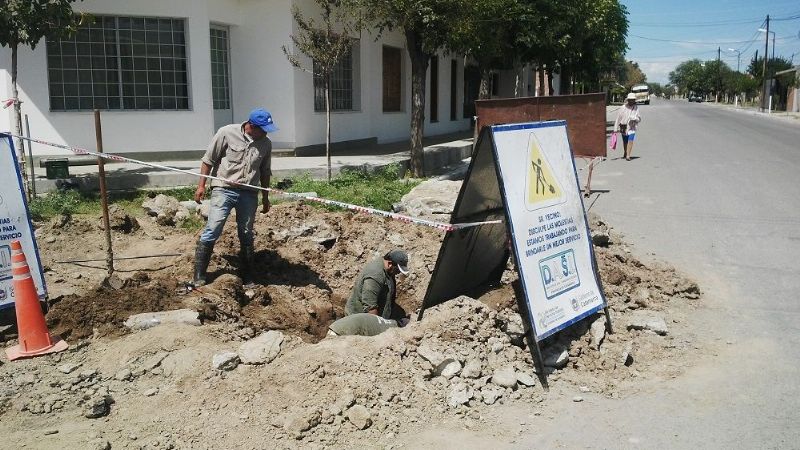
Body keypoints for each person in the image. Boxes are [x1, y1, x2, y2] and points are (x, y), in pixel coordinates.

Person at [192, 108, 277, 287]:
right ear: (251, 126)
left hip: (248, 193)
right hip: (224, 189)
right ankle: (199, 275)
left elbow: (265, 172)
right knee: (213, 228)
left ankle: (247, 275)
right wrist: (201, 186)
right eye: (263, 128)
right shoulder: (226, 133)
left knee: (246, 233)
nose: (266, 132)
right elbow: (208, 160)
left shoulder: (265, 144)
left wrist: (266, 197)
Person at [331, 250, 411, 337]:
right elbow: (370, 307)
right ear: (390, 264)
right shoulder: (375, 275)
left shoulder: (387, 270)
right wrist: (378, 329)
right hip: (360, 321)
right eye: (397, 270)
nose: (398, 273)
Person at [614, 93, 642, 161]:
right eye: (630, 100)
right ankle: (625, 152)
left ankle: (628, 155)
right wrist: (615, 128)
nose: (632, 101)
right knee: (625, 141)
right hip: (624, 127)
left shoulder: (636, 108)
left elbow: (639, 118)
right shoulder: (623, 107)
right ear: (628, 100)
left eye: (633, 100)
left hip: (632, 127)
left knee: (630, 141)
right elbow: (618, 118)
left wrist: (635, 118)